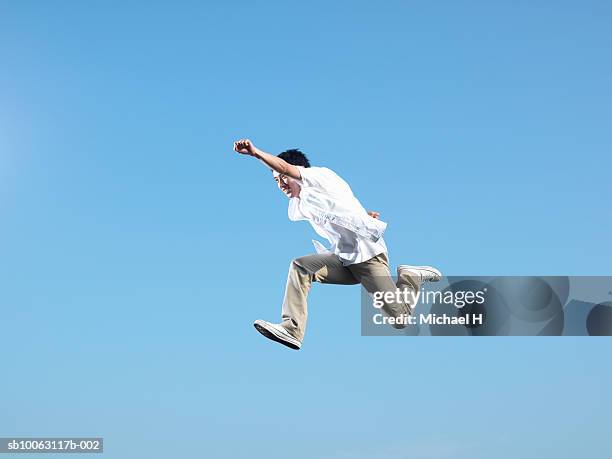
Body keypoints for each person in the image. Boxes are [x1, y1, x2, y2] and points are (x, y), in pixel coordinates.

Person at [233, 139, 441, 350]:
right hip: (343, 260)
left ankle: (411, 277)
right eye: (276, 180)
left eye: (283, 177)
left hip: (368, 258)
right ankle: (291, 328)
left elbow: (286, 167)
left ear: (298, 171)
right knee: (301, 267)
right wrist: (363, 215)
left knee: (400, 319)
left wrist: (255, 153)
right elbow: (340, 205)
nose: (281, 184)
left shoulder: (318, 176)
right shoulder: (302, 201)